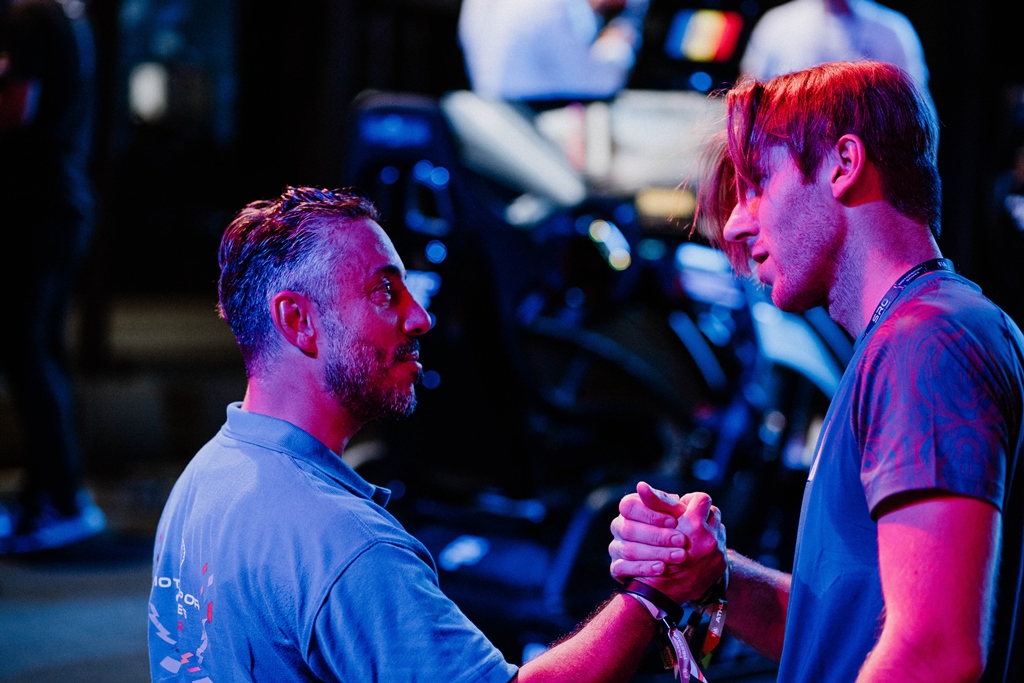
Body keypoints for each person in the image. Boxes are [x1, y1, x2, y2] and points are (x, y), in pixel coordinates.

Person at [147, 185, 722, 682]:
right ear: (298, 321)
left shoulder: (205, 481)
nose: (420, 318)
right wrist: (653, 594)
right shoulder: (348, 546)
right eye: (384, 292)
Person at [608, 60, 1024, 682]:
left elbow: (933, 654)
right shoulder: (914, 335)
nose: (737, 222)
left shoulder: (927, 339)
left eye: (757, 183)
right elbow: (846, 640)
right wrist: (716, 577)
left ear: (843, 164)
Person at [0, 0, 105, 553]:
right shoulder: (67, 14)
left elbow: (17, 106)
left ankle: (61, 500)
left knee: (29, 354)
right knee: (39, 353)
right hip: (59, 201)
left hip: (36, 206)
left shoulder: (28, 18)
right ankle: (47, 498)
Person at [739, 0, 936, 120]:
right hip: (790, 157)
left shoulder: (893, 30)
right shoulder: (776, 25)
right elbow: (746, 101)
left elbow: (919, 110)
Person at [458, 0, 649, 101]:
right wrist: (619, 44)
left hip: (491, 113)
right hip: (528, 117)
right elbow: (597, 87)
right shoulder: (550, 6)